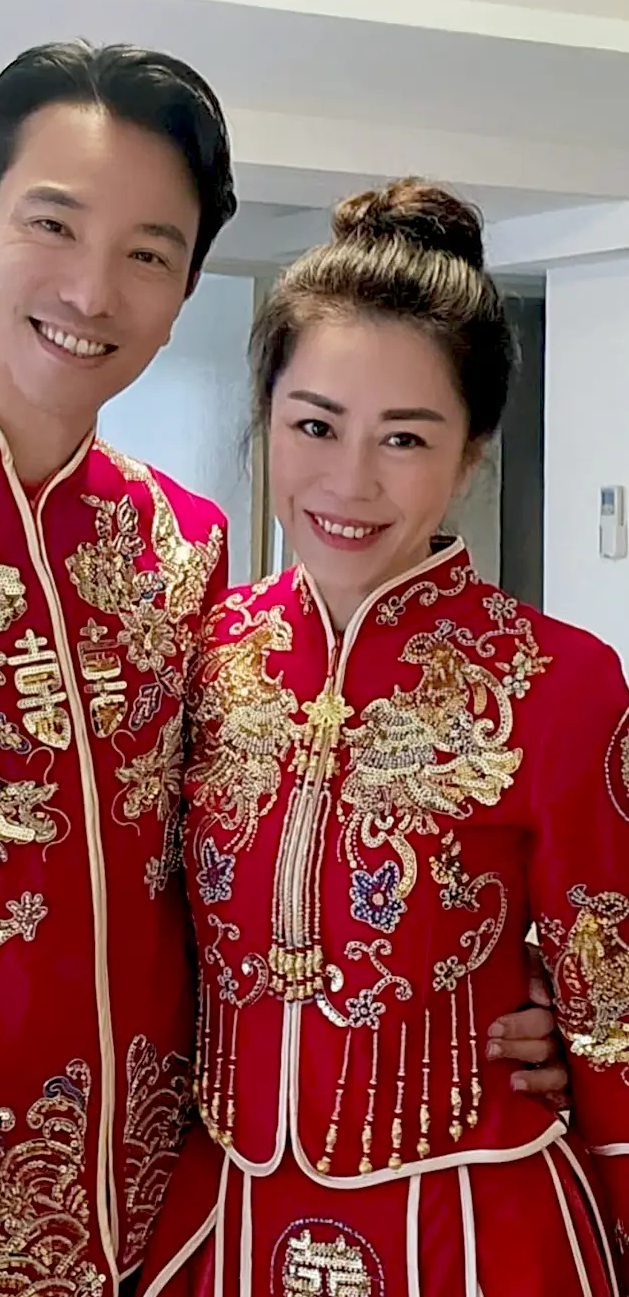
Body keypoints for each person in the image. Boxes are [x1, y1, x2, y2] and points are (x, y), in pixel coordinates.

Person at [0, 45, 562, 1297]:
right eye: (53, 225)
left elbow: (243, 857)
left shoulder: (178, 549)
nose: (91, 288)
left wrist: (490, 987)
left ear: (181, 297)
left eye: (149, 253)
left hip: (174, 1240)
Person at [138, 180, 629, 1297]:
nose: (349, 482)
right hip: (222, 1219)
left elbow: (615, 1001)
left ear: (472, 452)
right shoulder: (198, 653)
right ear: (267, 416)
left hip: (478, 1226)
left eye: (405, 438)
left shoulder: (559, 684)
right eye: (315, 425)